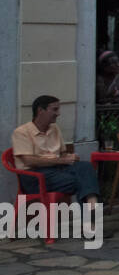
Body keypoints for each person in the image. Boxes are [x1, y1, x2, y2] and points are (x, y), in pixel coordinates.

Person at [11, 96, 101, 227]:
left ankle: (91, 221)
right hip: (34, 176)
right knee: (84, 181)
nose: (58, 113)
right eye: (55, 109)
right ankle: (92, 223)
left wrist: (69, 157)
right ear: (40, 110)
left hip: (56, 170)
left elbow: (62, 153)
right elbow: (29, 161)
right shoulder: (21, 132)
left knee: (86, 168)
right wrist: (62, 160)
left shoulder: (54, 129)